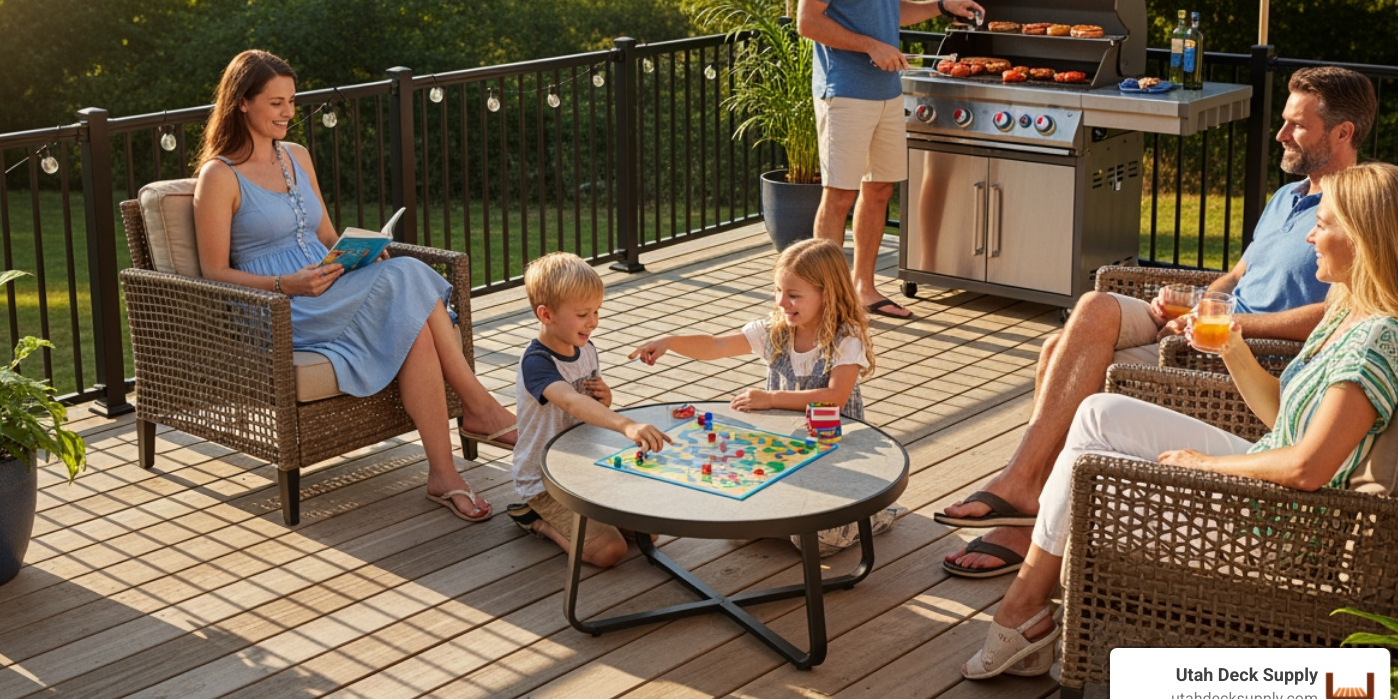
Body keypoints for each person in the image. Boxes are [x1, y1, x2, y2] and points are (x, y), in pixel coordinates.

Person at [960, 161, 1398, 679]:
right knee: (1096, 413)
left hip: (1283, 524)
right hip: (1269, 471)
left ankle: (1022, 610)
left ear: (1362, 238)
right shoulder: (1347, 309)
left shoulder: (1377, 340)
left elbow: (1308, 468)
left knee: (1084, 471)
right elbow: (1286, 417)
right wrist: (1235, 348)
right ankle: (1029, 603)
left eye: (1323, 225)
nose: (1310, 235)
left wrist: (1206, 465)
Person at [938, 66, 1378, 578]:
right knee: (1092, 311)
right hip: (1209, 325)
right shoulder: (1286, 197)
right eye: (1283, 121)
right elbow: (1237, 274)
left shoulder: (1356, 211)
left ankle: (1021, 507)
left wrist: (1232, 326)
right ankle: (1024, 487)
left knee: (1062, 352)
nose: (1280, 134)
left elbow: (1342, 311)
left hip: (1245, 350)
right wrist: (1197, 301)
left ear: (1343, 133)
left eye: (1296, 125)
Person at [192, 50, 520, 522]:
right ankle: (480, 408)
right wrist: (289, 283)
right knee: (409, 278)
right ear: (242, 103)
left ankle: (444, 475)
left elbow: (325, 235)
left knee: (414, 320)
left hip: (326, 285)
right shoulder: (218, 176)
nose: (289, 112)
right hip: (276, 305)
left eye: (292, 101)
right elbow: (212, 272)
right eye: (276, 103)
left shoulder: (297, 157)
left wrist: (362, 251)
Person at [797, 0, 985, 321]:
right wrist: (869, 47)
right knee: (839, 195)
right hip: (845, 89)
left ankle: (863, 289)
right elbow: (807, 22)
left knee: (878, 190)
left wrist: (942, 5)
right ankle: (821, 297)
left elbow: (888, 8)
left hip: (886, 91)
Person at [628, 237, 899, 552]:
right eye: (778, 291)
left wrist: (771, 399)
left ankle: (870, 517)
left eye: (794, 295)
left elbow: (834, 397)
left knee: (816, 542)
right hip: (784, 448)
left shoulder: (845, 338)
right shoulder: (775, 330)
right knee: (738, 529)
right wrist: (670, 341)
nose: (782, 302)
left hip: (834, 452)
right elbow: (717, 345)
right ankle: (785, 516)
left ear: (828, 295)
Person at [505, 252, 671, 567]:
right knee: (611, 552)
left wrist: (604, 400)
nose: (593, 322)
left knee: (647, 535)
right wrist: (625, 425)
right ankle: (535, 520)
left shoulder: (585, 348)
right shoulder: (537, 363)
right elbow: (570, 401)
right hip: (546, 481)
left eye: (596, 311)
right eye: (583, 314)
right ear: (546, 315)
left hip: (584, 470)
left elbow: (587, 404)